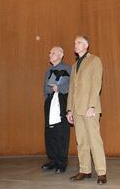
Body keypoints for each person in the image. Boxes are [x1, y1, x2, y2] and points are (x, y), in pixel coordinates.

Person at [67, 35, 107, 185]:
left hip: (89, 108)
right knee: (81, 141)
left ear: (86, 45)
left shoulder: (94, 60)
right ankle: (84, 169)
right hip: (77, 109)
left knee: (94, 140)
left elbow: (97, 84)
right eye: (74, 43)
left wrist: (92, 106)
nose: (75, 45)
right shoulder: (74, 65)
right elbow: (72, 89)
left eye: (78, 43)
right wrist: (69, 110)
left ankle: (101, 172)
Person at [41, 46, 71, 174]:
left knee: (61, 132)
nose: (50, 55)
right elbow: (46, 89)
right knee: (50, 132)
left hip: (61, 102)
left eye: (53, 53)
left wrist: (59, 89)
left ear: (61, 54)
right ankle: (52, 160)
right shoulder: (48, 71)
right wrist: (51, 91)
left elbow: (71, 86)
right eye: (49, 53)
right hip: (50, 102)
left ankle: (61, 162)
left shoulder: (68, 68)